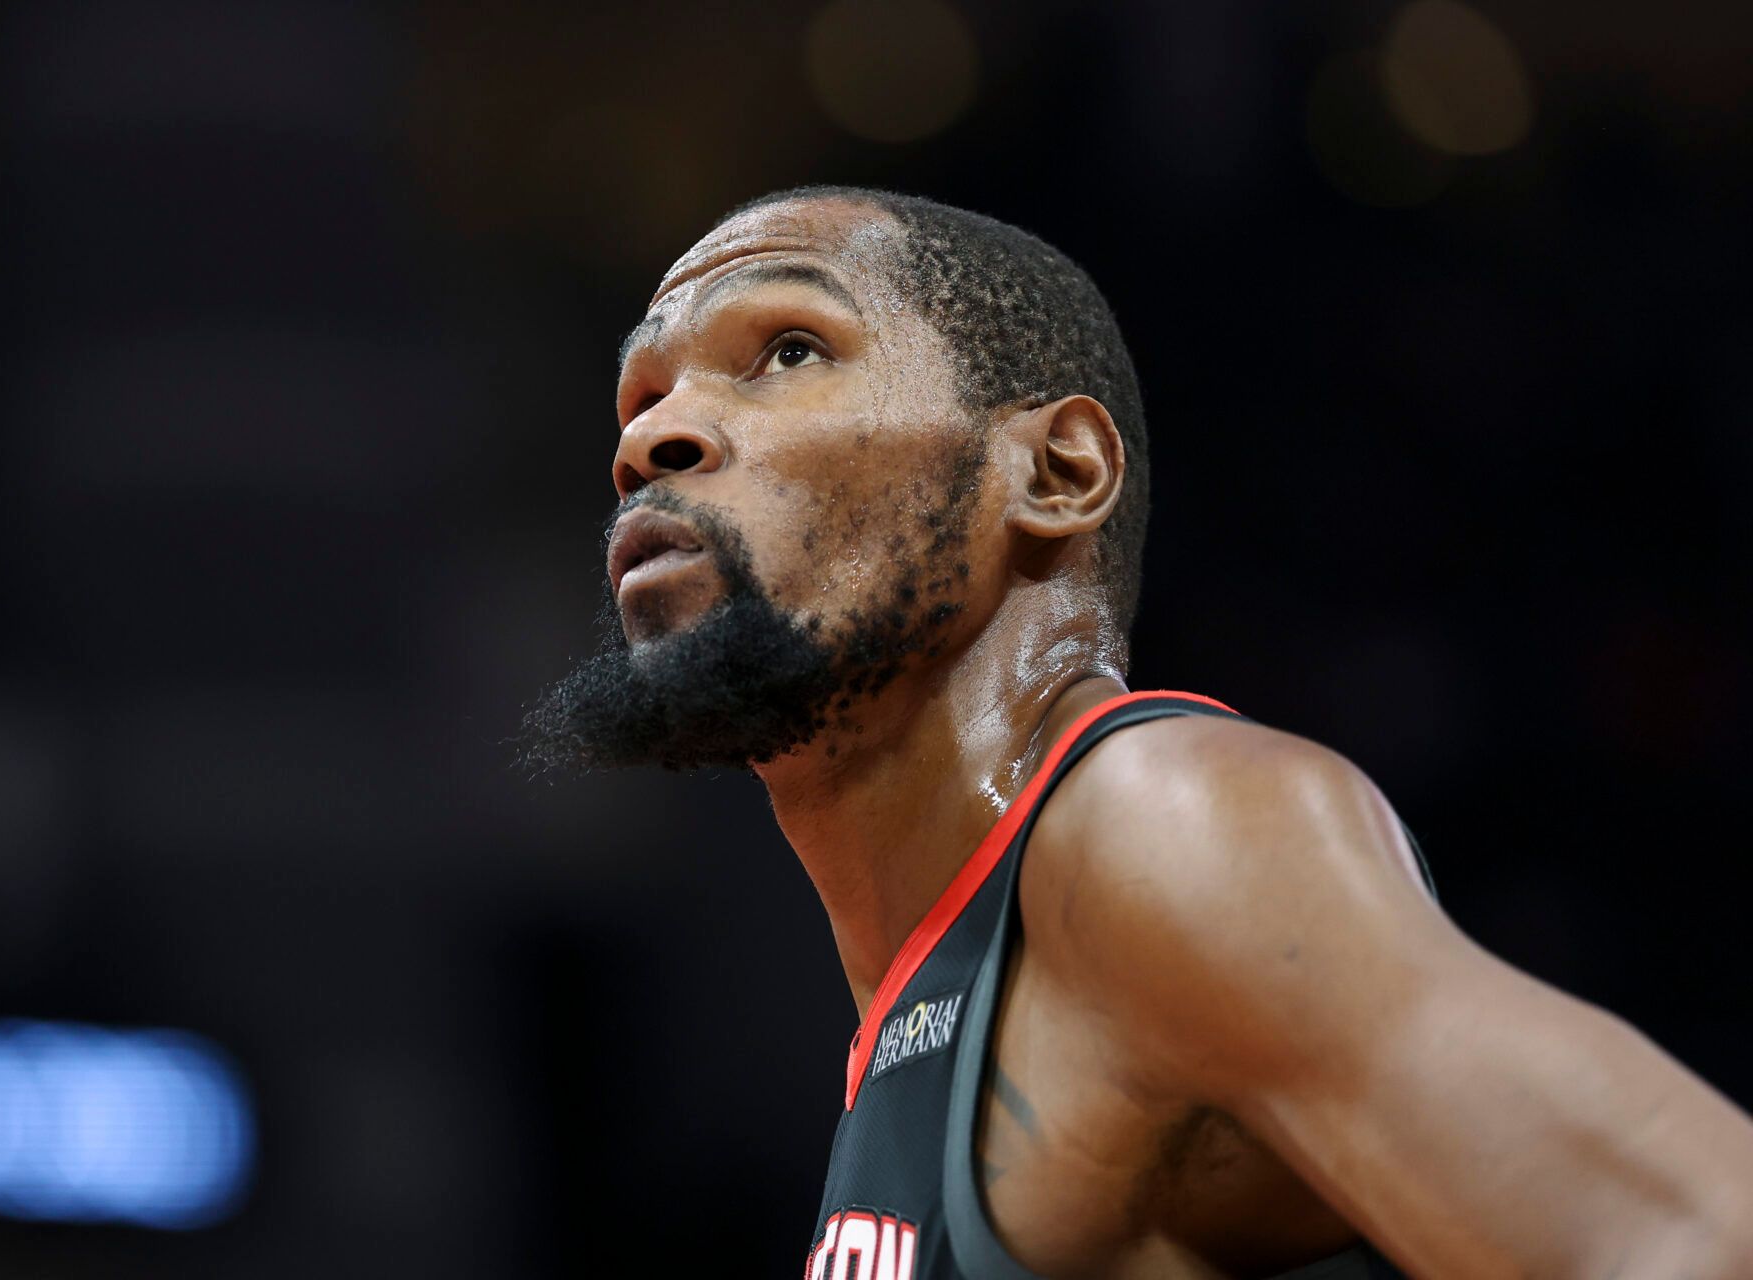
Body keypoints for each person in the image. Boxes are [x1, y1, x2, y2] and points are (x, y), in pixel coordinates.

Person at [522, 186, 1753, 1278]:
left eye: (788, 349)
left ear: (1054, 472)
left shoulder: (1158, 823)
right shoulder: (941, 985)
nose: (651, 438)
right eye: (642, 394)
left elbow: (1702, 1227)